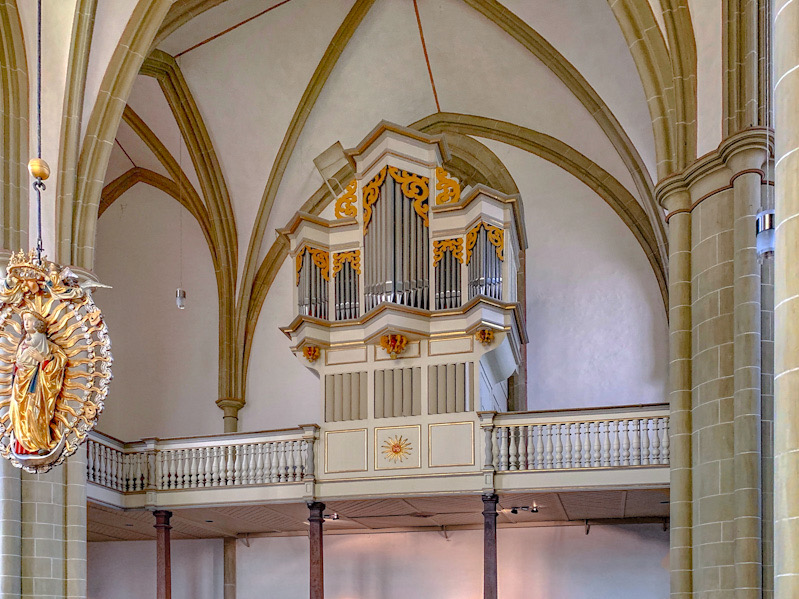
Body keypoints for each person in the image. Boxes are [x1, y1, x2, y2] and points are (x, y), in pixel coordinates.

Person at [9, 311, 67, 454]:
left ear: (38, 324)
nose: (26, 323)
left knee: (33, 412)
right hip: (20, 383)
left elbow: (61, 360)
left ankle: (38, 443)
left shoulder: (46, 344)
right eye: (24, 320)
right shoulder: (23, 343)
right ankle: (21, 443)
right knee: (16, 412)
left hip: (36, 384)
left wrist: (43, 360)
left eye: (29, 320)